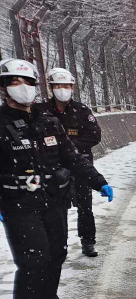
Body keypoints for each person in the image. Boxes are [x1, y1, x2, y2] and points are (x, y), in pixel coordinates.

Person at [0, 58, 113, 299]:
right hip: (18, 203)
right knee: (34, 258)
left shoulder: (48, 121)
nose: (22, 87)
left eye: (27, 82)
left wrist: (98, 181)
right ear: (3, 88)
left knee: (56, 253)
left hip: (53, 199)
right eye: (14, 82)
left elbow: (72, 157)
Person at [37, 68, 103, 257]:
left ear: (72, 88)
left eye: (66, 86)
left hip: (80, 165)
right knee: (56, 209)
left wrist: (69, 147)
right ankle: (58, 245)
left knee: (85, 206)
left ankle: (88, 241)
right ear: (51, 88)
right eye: (58, 86)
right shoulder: (41, 111)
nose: (62, 89)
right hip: (54, 169)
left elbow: (94, 135)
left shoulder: (81, 111)